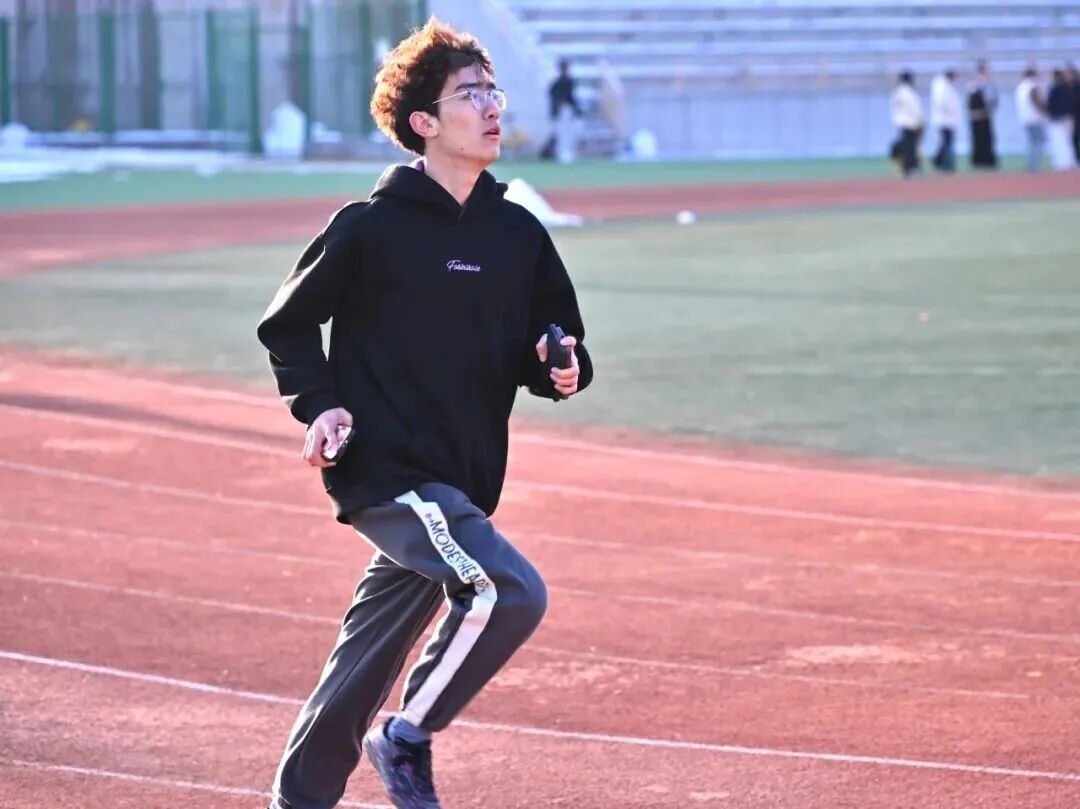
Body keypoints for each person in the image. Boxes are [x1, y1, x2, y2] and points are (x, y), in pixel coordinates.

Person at [257, 18, 594, 809]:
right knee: (510, 590)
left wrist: (561, 366)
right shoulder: (370, 226)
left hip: (461, 480)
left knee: (363, 660)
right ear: (424, 122)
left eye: (493, 90)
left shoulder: (518, 234)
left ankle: (296, 800)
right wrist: (320, 405)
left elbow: (555, 343)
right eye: (471, 94)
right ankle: (406, 736)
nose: (492, 106)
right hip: (387, 469)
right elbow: (288, 325)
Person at [540, 58, 583, 162]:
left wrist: (575, 109)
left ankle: (566, 152)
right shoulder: (559, 82)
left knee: (566, 133)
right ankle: (563, 153)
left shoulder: (566, 81)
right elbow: (557, 96)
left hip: (566, 111)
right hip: (562, 111)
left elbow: (570, 97)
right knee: (562, 133)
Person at [890, 71, 924, 178]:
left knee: (909, 147)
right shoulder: (906, 92)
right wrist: (919, 120)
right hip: (910, 123)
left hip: (906, 123)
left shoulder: (899, 92)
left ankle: (908, 168)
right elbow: (914, 109)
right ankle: (910, 168)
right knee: (910, 148)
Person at [967, 59, 998, 169]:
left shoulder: (990, 86)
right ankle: (977, 161)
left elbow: (994, 101)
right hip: (976, 118)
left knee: (988, 139)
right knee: (977, 140)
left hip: (986, 116)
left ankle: (988, 161)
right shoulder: (973, 85)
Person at [1015, 66, 1048, 172]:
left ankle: (1031, 163)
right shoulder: (1033, 87)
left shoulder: (1020, 87)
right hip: (1035, 118)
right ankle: (1035, 164)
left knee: (1031, 141)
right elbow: (1037, 102)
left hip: (1024, 119)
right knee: (1038, 141)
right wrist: (1045, 112)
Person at [1046, 67, 1078, 171]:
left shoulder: (1053, 89)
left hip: (1057, 119)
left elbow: (1050, 105)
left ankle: (1061, 163)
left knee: (1059, 142)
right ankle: (1070, 162)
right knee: (1069, 142)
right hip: (1068, 118)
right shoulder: (1068, 88)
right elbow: (1073, 103)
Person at [930, 69, 961, 172]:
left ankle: (941, 162)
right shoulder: (942, 87)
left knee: (945, 142)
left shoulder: (948, 87)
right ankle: (945, 164)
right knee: (947, 142)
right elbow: (942, 103)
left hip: (948, 120)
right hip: (944, 120)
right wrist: (950, 111)